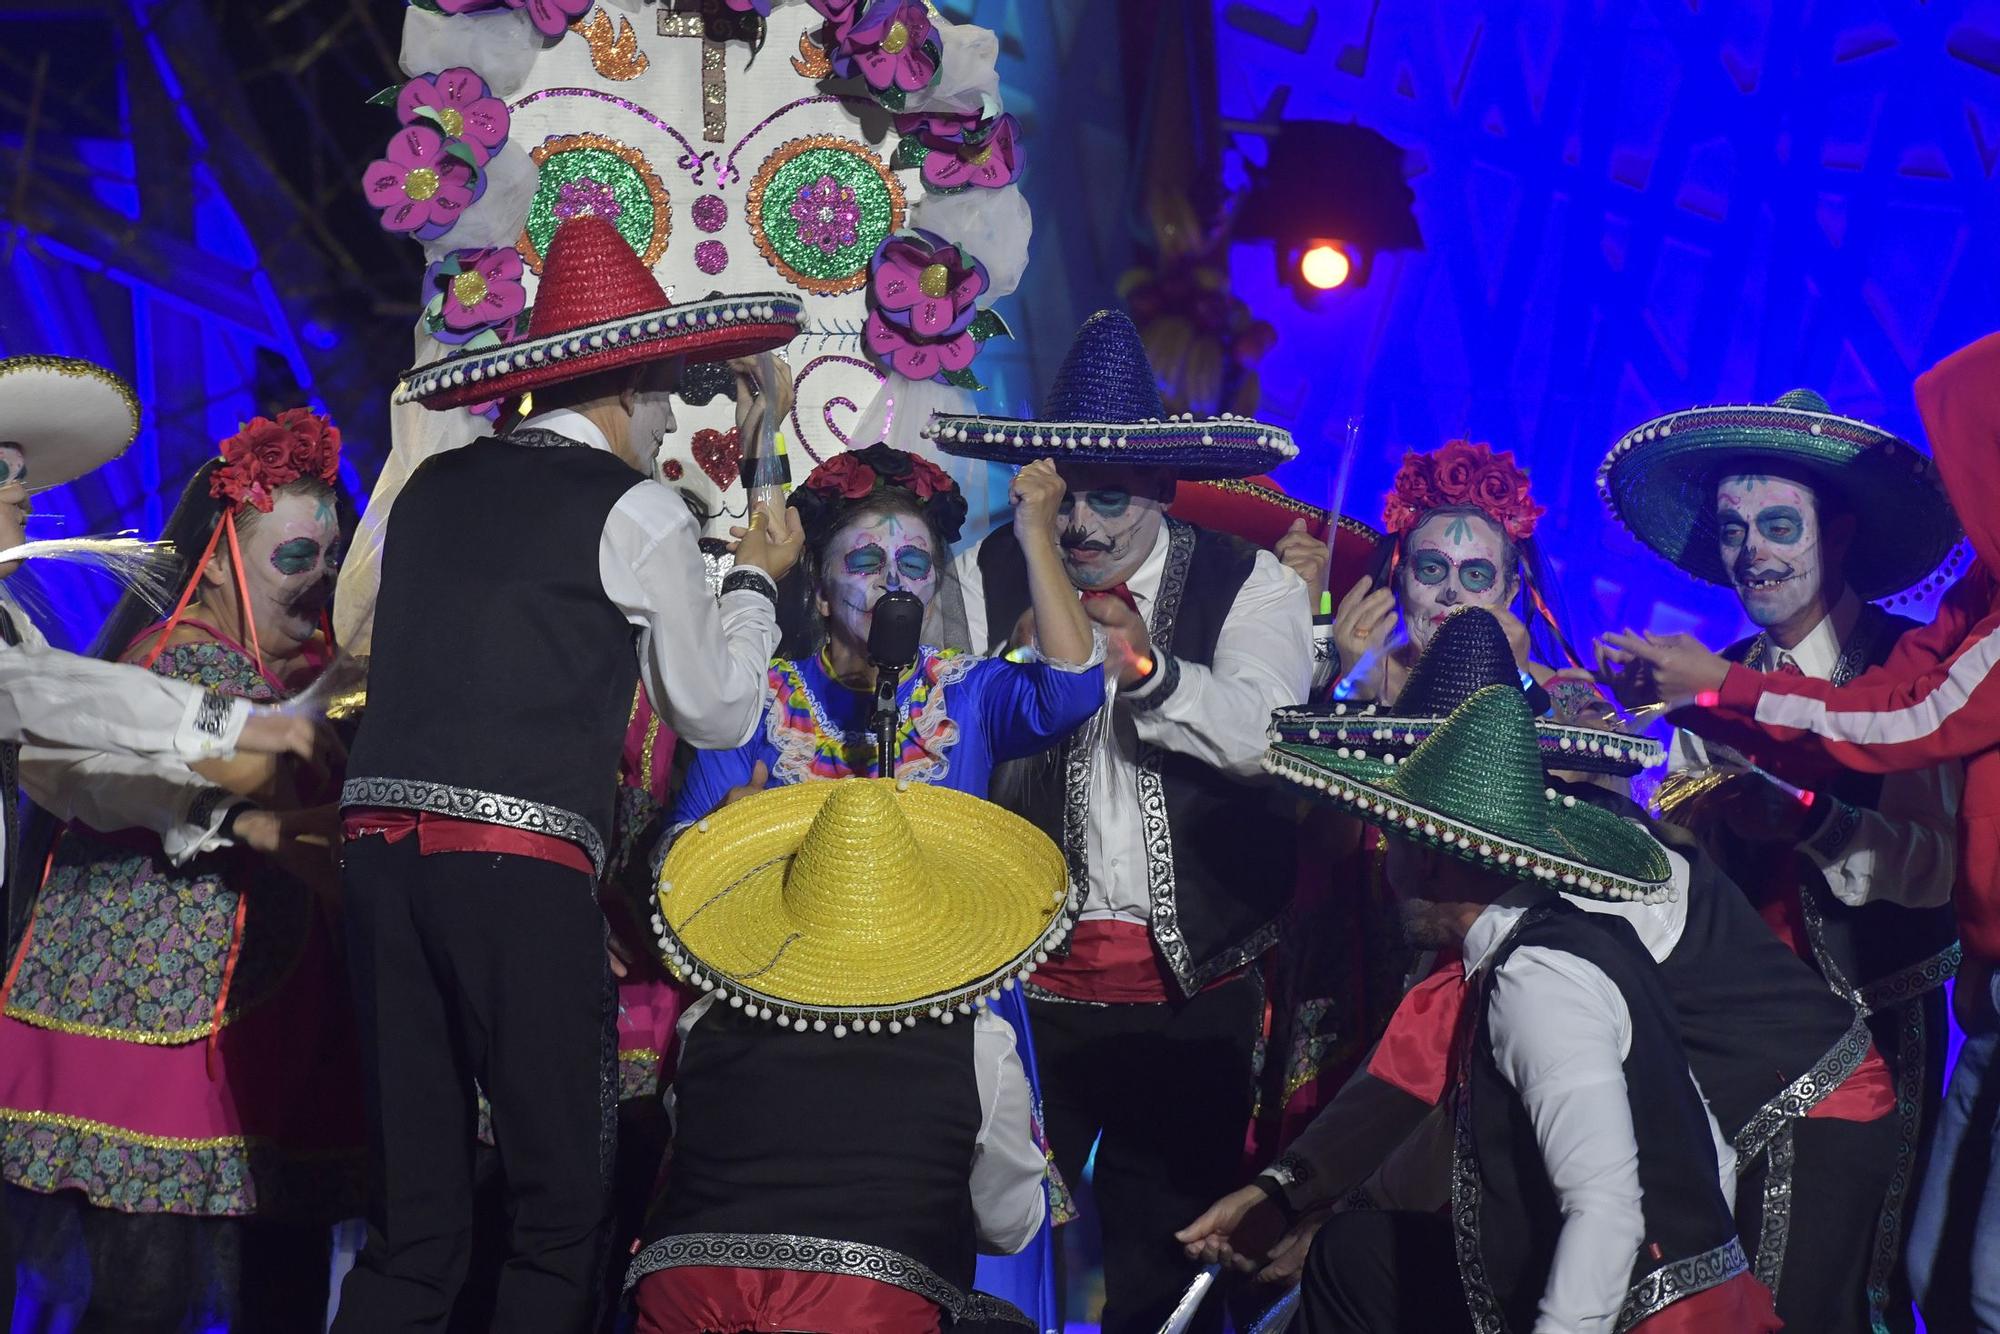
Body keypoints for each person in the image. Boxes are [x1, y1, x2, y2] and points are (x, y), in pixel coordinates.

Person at [334, 213, 807, 1334]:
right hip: (511, 867)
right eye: (666, 396)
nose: (667, 423)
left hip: (376, 862)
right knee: (561, 1204)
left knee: (415, 1217)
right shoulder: (635, 506)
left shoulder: (435, 489)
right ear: (633, 388)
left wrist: (767, 439)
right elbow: (714, 704)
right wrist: (751, 584)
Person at [1180, 608, 1879, 1300]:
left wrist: (1335, 1210)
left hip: (1796, 1111)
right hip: (1697, 1147)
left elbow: (1471, 1108)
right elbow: (1415, 1062)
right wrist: (1285, 1188)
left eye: (1410, 813)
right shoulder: (1482, 893)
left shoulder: (1579, 904)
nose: (1394, 841)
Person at [1592, 333, 2000, 1331]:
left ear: (1838, 534)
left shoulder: (1899, 657)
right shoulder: (1714, 669)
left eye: (1778, 523)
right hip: (1734, 1025)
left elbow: (1917, 830)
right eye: (1733, 530)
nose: (1752, 553)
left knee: (1868, 1274)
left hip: (1873, 1018)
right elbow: (1671, 853)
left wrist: (1801, 816)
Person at [926, 307, 1313, 1333]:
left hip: (1191, 992)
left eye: (1107, 499)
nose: (1083, 528)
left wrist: (1146, 671)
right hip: (1020, 982)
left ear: (1156, 487)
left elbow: (1264, 739)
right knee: (980, 1242)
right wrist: (1015, 661)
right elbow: (933, 752)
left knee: (1165, 1265)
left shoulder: (1250, 583)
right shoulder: (982, 571)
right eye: (1060, 499)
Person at [660, 439, 1102, 1331]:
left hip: (935, 1031)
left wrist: (1035, 534)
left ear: (937, 588)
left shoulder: (965, 695)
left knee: (934, 1241)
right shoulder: (757, 705)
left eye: (914, 564)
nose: (894, 581)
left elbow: (1074, 688)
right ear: (819, 591)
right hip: (789, 1031)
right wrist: (734, 833)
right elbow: (683, 878)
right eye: (864, 562)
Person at [1, 406, 364, 1334]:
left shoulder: (279, 676)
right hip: (158, 1038)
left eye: (331, 557)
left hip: (259, 1031)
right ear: (224, 556)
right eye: (295, 558)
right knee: (146, 1297)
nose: (319, 580)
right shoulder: (176, 663)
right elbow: (69, 748)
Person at [1263, 684, 1779, 1332]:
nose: (1382, 858)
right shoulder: (1553, 939)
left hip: (1646, 1317)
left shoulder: (1536, 982)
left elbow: (1608, 1211)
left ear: (1426, 861)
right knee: (1356, 1254)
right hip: (1667, 1293)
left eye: (1393, 837)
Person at [628, 778, 1067, 1332]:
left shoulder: (704, 1021)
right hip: (862, 1312)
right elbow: (1008, 1226)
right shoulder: (980, 1043)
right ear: (929, 923)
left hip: (684, 1300)